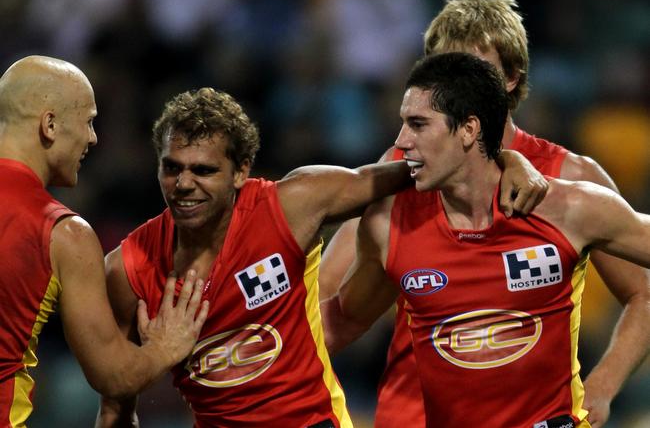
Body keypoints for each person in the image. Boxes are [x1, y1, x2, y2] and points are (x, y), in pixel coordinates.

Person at [95, 87, 545, 427]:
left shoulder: (291, 205)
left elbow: (417, 169)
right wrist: (159, 353)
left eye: (204, 170)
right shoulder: (126, 269)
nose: (184, 184)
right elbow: (116, 401)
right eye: (172, 168)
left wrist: (506, 157)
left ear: (241, 172)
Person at [318, 0, 650, 428]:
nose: (450, 87)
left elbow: (643, 290)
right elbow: (332, 303)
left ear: (510, 78)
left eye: (470, 71)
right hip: (413, 412)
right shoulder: (397, 176)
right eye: (439, 71)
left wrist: (603, 388)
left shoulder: (571, 185)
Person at [0, 55, 209, 427]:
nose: (93, 138)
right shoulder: (63, 233)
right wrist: (165, 347)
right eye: (89, 121)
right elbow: (113, 375)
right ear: (49, 124)